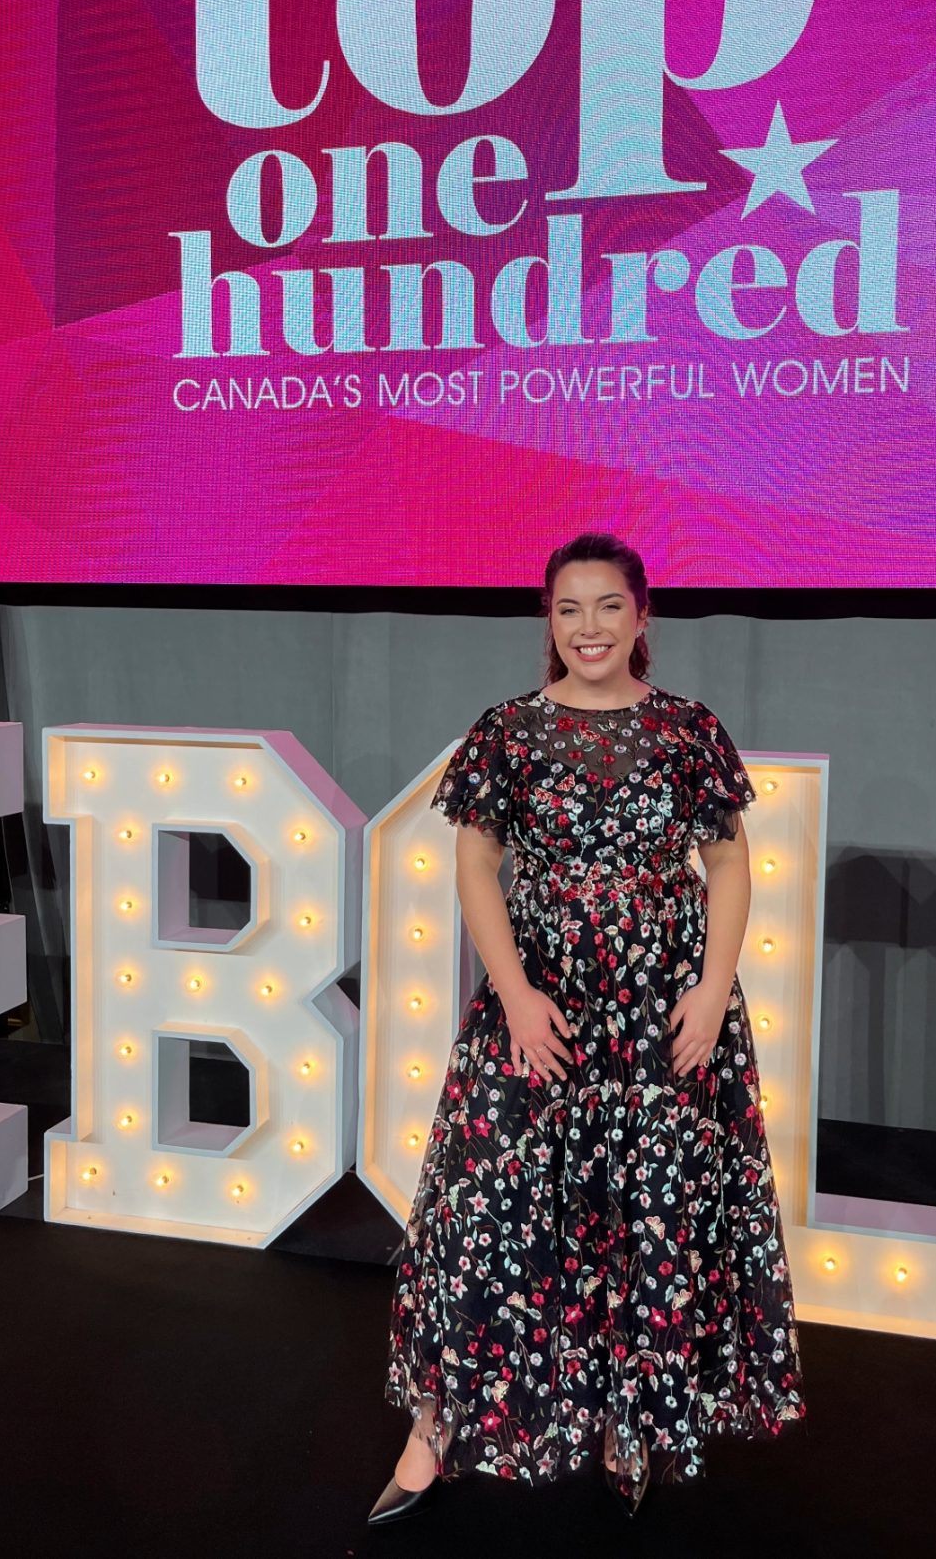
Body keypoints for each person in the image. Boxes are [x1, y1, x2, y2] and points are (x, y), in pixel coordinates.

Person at [369, 532, 807, 1525]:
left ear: (641, 615)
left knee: (640, 1213)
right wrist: (514, 991)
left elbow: (729, 865)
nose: (589, 627)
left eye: (607, 606)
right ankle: (431, 1425)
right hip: (544, 996)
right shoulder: (508, 731)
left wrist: (710, 986)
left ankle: (628, 1415)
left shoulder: (690, 729)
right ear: (549, 622)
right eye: (569, 610)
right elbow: (476, 865)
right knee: (481, 1207)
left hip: (663, 1006)